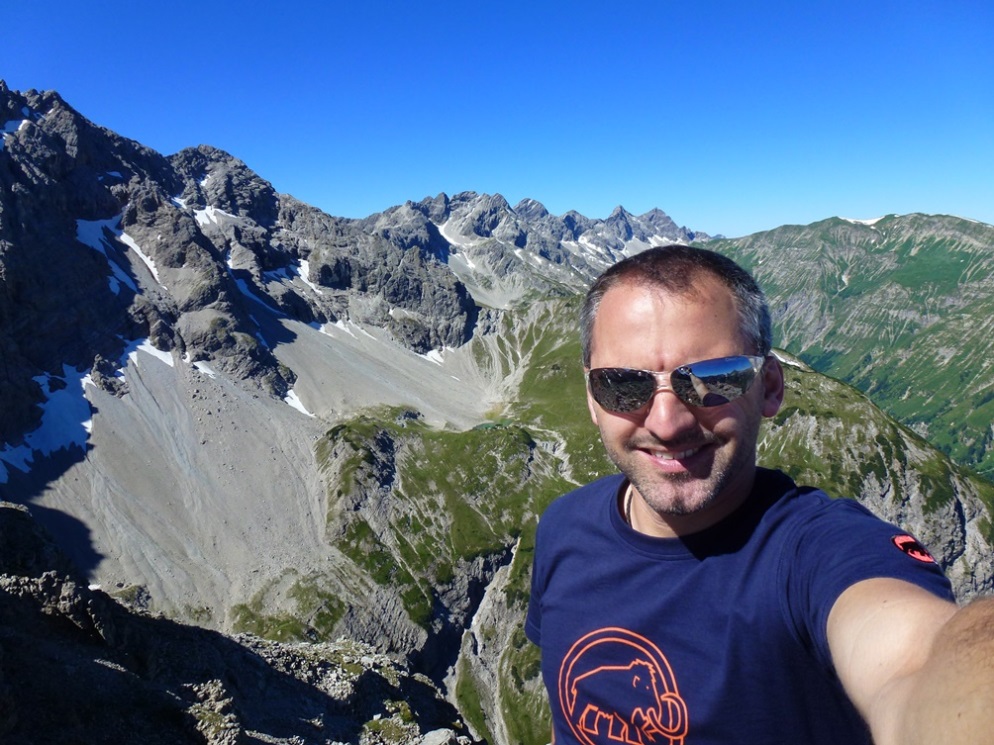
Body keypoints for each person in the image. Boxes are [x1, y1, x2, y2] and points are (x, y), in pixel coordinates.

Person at [525, 244, 994, 745]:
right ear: (593, 400)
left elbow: (915, 661)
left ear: (770, 386)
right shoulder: (563, 527)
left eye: (712, 379)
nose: (666, 422)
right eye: (622, 385)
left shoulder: (813, 554)